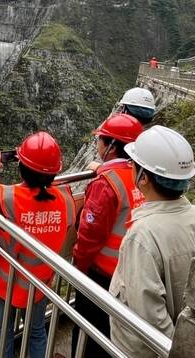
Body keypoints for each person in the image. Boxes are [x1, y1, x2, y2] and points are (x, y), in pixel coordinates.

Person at [0, 132, 76, 358]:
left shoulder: (7, 196)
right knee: (37, 331)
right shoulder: (65, 198)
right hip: (40, 282)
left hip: (6, 283)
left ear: (22, 169)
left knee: (1, 332)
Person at [110, 126, 195, 358]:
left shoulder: (143, 235)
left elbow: (149, 315)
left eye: (134, 165)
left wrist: (174, 351)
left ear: (143, 177)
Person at [71, 113, 144, 358]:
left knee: (86, 330)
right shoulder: (140, 175)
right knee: (107, 332)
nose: (97, 144)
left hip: (101, 274)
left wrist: (78, 268)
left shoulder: (106, 184)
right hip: (127, 272)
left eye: (101, 140)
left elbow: (89, 235)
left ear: (112, 146)